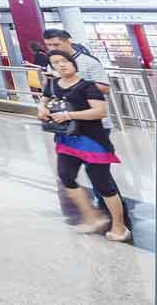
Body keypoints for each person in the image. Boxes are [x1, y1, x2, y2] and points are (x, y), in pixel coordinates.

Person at [38, 51, 130, 242]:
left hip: (92, 141)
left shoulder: (87, 87)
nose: (61, 65)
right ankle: (91, 216)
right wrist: (42, 109)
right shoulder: (53, 85)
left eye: (65, 61)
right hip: (67, 140)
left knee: (103, 185)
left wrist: (70, 116)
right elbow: (44, 100)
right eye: (56, 62)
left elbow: (100, 112)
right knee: (66, 176)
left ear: (73, 63)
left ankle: (119, 226)